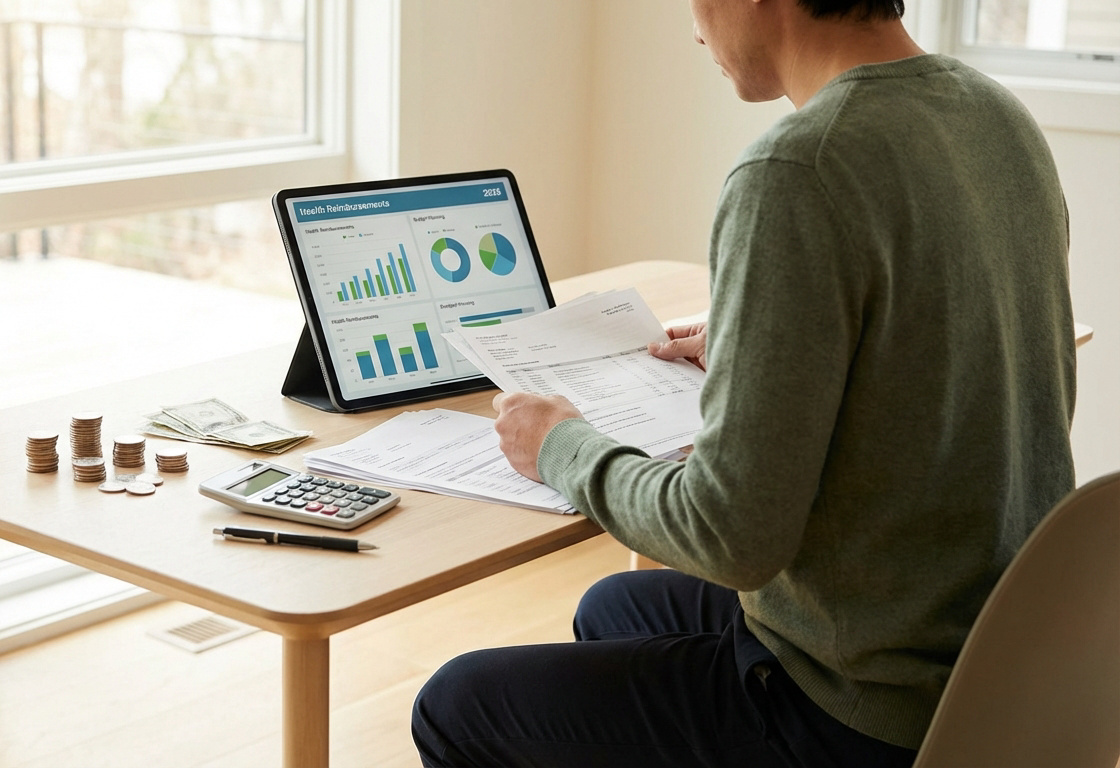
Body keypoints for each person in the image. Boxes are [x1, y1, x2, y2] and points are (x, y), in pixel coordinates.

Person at [410, 0, 1077, 765]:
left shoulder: (797, 169)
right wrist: (759, 348)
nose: (695, 26)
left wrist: (561, 446)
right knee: (613, 606)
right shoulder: (996, 117)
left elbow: (729, 538)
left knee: (454, 705)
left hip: (865, 710)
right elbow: (945, 349)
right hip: (994, 663)